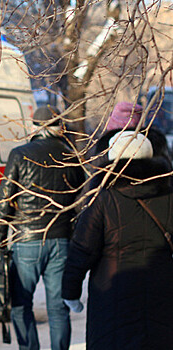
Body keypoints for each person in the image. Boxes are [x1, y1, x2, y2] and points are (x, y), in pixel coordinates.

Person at [62, 131, 173, 350]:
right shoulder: (168, 196)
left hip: (111, 295)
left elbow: (82, 251)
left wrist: (70, 292)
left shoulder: (103, 198)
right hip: (161, 291)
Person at [0, 105, 86, 350]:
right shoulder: (70, 155)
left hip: (27, 240)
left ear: (33, 127)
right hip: (62, 239)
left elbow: (5, 200)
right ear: (59, 127)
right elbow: (81, 202)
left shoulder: (20, 154)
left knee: (21, 304)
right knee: (58, 307)